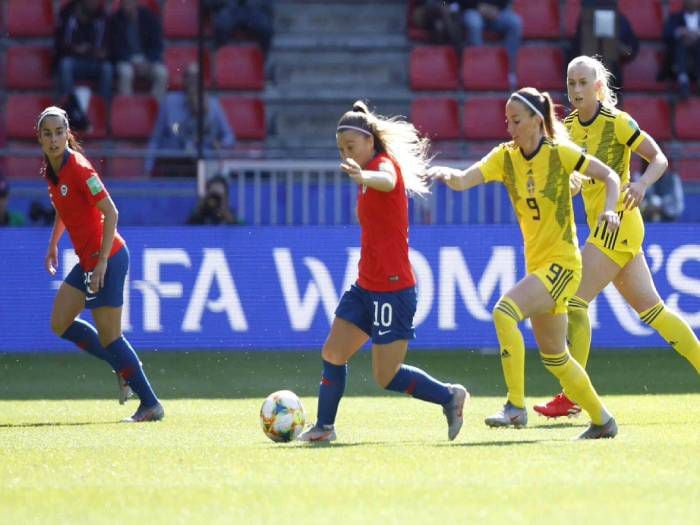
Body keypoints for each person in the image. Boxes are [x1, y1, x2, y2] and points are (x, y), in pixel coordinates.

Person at [430, 87, 622, 439]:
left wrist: (609, 209)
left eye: (516, 121)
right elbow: (463, 180)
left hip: (563, 265)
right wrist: (445, 174)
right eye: (507, 121)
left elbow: (609, 176)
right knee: (556, 358)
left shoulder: (560, 153)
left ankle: (515, 407)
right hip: (539, 267)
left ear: (537, 120)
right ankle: (603, 420)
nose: (510, 128)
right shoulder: (505, 157)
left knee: (504, 312)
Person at [534, 56, 700, 419]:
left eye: (582, 83)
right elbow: (575, 179)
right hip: (605, 227)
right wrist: (572, 184)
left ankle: (573, 394)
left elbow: (659, 159)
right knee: (654, 312)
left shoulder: (618, 122)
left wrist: (641, 183)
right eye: (570, 83)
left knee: (573, 301)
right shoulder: (569, 127)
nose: (575, 90)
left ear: (597, 86)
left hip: (619, 224)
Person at [298, 101, 468, 443]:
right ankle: (324, 428)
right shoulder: (364, 173)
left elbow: (388, 180)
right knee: (332, 352)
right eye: (341, 149)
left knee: (386, 376)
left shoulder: (381, 166)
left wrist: (365, 175)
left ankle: (450, 396)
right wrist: (362, 177)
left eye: (351, 146)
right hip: (366, 284)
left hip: (393, 289)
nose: (346, 153)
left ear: (369, 142)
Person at [37, 106, 163, 423]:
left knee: (111, 338)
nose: (53, 139)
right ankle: (119, 367)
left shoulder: (79, 167)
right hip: (88, 261)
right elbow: (65, 209)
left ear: (68, 134)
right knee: (60, 322)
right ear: (39, 138)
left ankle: (150, 405)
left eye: (58, 132)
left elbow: (112, 213)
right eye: (47, 134)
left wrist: (103, 262)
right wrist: (53, 243)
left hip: (108, 258)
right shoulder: (51, 170)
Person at [145, 63, 236, 177]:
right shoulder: (169, 102)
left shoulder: (213, 105)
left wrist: (219, 144)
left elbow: (229, 137)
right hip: (173, 163)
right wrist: (148, 168)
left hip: (202, 164)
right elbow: (155, 139)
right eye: (189, 77)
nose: (193, 81)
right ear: (184, 80)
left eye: (197, 77)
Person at [55, 0, 113, 102]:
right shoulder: (67, 13)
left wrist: (103, 53)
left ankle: (103, 107)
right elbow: (59, 45)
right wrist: (75, 49)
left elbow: (108, 46)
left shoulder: (102, 16)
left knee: (107, 68)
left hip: (94, 61)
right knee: (65, 65)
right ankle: (68, 106)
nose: (94, 3)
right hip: (73, 60)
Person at [108, 0, 168, 99]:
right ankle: (128, 108)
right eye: (123, 3)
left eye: (129, 3)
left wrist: (148, 62)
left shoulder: (149, 18)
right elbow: (116, 49)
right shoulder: (115, 19)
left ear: (136, 3)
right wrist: (132, 63)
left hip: (147, 60)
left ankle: (154, 108)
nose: (125, 6)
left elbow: (157, 46)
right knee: (126, 73)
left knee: (162, 73)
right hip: (126, 60)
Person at [461, 1, 522, 89]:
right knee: (474, 24)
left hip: (496, 11)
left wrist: (497, 8)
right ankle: (479, 68)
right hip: (473, 9)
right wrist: (477, 6)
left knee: (515, 22)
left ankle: (509, 71)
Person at [204, 0, 274, 55]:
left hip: (253, 10)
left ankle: (260, 62)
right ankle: (222, 60)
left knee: (265, 28)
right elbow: (207, 3)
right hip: (229, 10)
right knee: (220, 26)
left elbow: (267, 4)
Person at [662, 0, 700, 99]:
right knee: (681, 43)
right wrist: (680, 32)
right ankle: (683, 81)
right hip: (678, 60)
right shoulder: (675, 17)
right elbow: (666, 35)